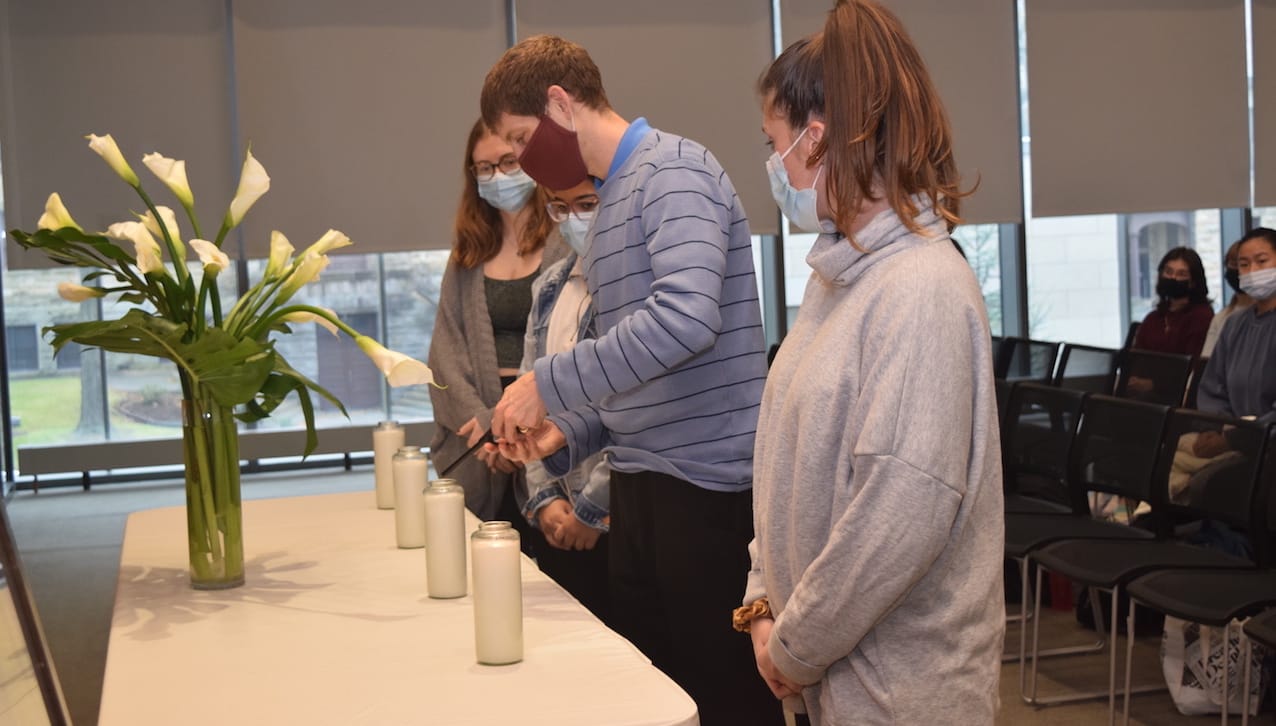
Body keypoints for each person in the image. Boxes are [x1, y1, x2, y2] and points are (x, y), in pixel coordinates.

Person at [479, 35, 779, 726]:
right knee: (659, 698)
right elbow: (638, 375)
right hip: (641, 483)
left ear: (561, 103)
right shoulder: (612, 200)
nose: (525, 162)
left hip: (704, 488)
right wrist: (569, 430)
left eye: (525, 139)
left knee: (725, 698)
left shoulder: (673, 171)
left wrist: (547, 384)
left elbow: (685, 321)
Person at [738, 3, 1004, 724]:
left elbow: (898, 514)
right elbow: (782, 464)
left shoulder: (920, 287)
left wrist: (791, 649)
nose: (774, 166)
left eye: (775, 143)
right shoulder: (837, 276)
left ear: (816, 140)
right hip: (825, 675)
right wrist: (763, 604)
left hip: (899, 692)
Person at [426, 119, 565, 525]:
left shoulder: (567, 238)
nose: (497, 175)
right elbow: (445, 352)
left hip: (548, 416)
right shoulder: (468, 252)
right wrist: (491, 430)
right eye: (483, 168)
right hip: (479, 433)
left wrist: (520, 430)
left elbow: (573, 343)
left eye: (508, 162)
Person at [519, 180, 610, 622]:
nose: (574, 219)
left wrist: (591, 513)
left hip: (614, 517)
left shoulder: (629, 294)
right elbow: (527, 402)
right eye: (560, 207)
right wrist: (545, 499)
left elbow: (631, 412)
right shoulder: (549, 288)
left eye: (587, 205)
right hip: (557, 512)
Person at [1193, 227, 1276, 458]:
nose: (1252, 271)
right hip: (1230, 436)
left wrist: (1236, 439)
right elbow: (1212, 388)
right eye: (1244, 265)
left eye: (1261, 261)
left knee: (1202, 484)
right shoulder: (1235, 324)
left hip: (1267, 445)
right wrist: (1215, 429)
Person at [1131, 246, 1214, 357]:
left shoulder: (1201, 317)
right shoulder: (1152, 319)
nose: (1173, 278)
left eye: (1181, 274)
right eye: (1168, 272)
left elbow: (1194, 364)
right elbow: (1135, 360)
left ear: (1193, 281)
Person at [1201, 239, 1254, 357]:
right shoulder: (1221, 318)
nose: (1240, 270)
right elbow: (1206, 363)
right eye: (1235, 264)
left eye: (1245, 265)